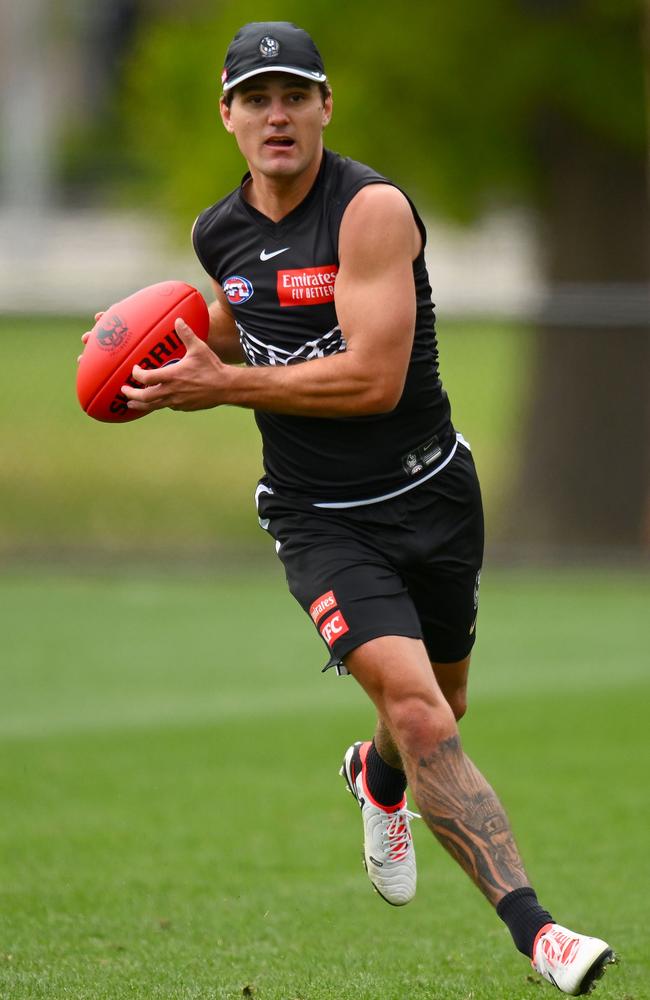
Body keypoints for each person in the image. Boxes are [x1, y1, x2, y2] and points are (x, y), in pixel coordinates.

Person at [111, 21, 614, 996]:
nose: (275, 114)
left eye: (292, 94)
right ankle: (541, 935)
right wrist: (161, 353)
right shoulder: (218, 232)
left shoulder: (370, 211)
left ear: (323, 106)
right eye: (254, 98)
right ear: (227, 115)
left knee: (441, 703)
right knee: (424, 716)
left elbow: (374, 379)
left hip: (431, 491)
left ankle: (376, 780)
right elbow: (245, 318)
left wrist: (222, 387)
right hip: (318, 518)